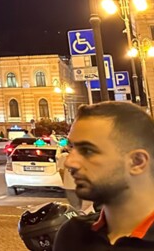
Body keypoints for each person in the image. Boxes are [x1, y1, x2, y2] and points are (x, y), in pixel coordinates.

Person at [54, 101, 154, 249]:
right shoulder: (72, 235)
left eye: (87, 151)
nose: (69, 162)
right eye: (71, 148)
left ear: (137, 162)